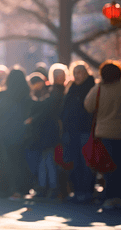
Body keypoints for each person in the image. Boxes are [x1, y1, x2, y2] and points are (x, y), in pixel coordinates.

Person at [0, 68, 34, 200]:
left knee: (4, 161)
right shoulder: (26, 96)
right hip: (21, 133)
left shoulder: (2, 96)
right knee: (20, 161)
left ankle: (5, 189)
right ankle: (20, 189)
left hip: (4, 133)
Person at [84, 60, 121, 210]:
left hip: (104, 132)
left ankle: (111, 197)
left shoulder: (99, 88)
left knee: (109, 167)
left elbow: (88, 105)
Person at [27, 63, 67, 199]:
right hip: (45, 133)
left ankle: (51, 187)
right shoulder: (52, 91)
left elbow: (46, 108)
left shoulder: (54, 93)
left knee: (49, 161)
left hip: (51, 132)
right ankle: (45, 187)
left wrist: (33, 118)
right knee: (46, 161)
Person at [61, 61, 96, 203]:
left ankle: (87, 192)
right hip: (72, 131)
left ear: (86, 73)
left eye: (80, 72)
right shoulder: (71, 88)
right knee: (75, 162)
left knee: (86, 162)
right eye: (75, 73)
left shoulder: (92, 87)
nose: (77, 76)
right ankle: (77, 191)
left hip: (86, 130)